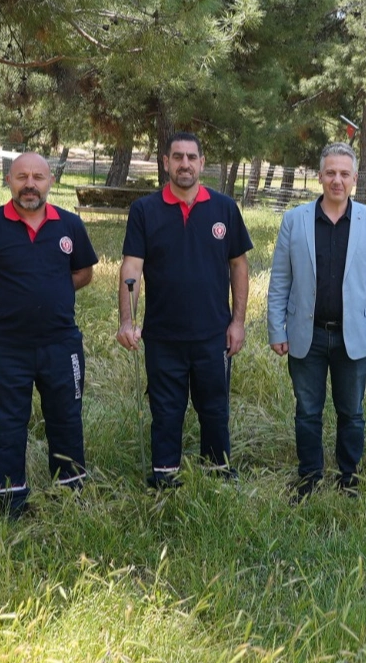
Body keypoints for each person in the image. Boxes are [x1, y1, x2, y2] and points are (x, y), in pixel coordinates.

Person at [0, 153, 98, 518]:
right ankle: (13, 503)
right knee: (8, 424)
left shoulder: (70, 225)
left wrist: (52, 296)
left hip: (61, 344)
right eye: (21, 177)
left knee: (66, 419)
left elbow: (83, 272)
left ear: (50, 181)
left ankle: (70, 496)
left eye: (38, 177)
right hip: (6, 347)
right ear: (8, 180)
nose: (29, 184)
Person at [116, 132, 252, 488]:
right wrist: (126, 321)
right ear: (165, 162)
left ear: (203, 163)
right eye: (177, 157)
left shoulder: (224, 208)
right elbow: (131, 268)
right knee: (166, 410)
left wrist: (238, 322)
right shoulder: (144, 210)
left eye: (192, 157)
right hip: (163, 335)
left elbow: (239, 265)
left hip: (214, 333)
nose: (185, 164)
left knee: (215, 408)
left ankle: (218, 473)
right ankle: (165, 477)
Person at [267, 142, 366, 501]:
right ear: (319, 176)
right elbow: (281, 280)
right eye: (330, 173)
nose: (336, 180)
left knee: (351, 413)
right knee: (307, 411)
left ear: (355, 178)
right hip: (305, 335)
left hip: (353, 336)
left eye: (344, 174)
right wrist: (276, 328)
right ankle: (309, 477)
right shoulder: (295, 220)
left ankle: (348, 478)